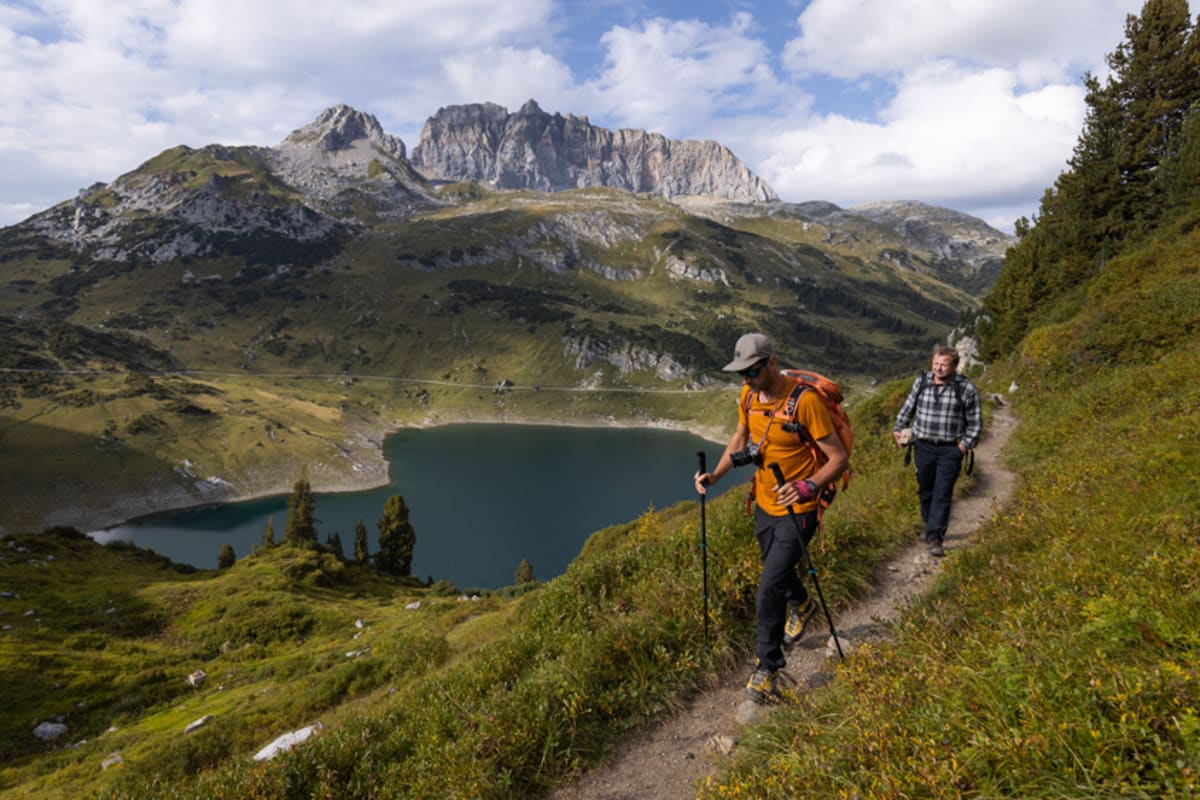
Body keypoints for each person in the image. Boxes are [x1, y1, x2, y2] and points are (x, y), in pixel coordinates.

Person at [694, 333, 848, 703]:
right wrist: (715, 476)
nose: (747, 379)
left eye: (753, 371)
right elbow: (740, 439)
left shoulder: (804, 402)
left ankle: (768, 667)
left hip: (799, 509)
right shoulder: (748, 396)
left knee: (769, 586)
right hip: (765, 501)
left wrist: (808, 486)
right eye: (741, 373)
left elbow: (838, 458)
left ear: (772, 362)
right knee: (776, 568)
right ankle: (803, 604)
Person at [891, 344, 983, 558]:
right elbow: (908, 408)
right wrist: (898, 429)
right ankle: (930, 525)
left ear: (954, 366)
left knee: (942, 493)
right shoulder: (922, 382)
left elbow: (975, 422)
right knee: (925, 490)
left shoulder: (966, 388)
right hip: (923, 446)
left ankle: (935, 538)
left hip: (950, 449)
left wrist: (963, 446)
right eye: (935, 363)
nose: (938, 368)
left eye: (944, 364)